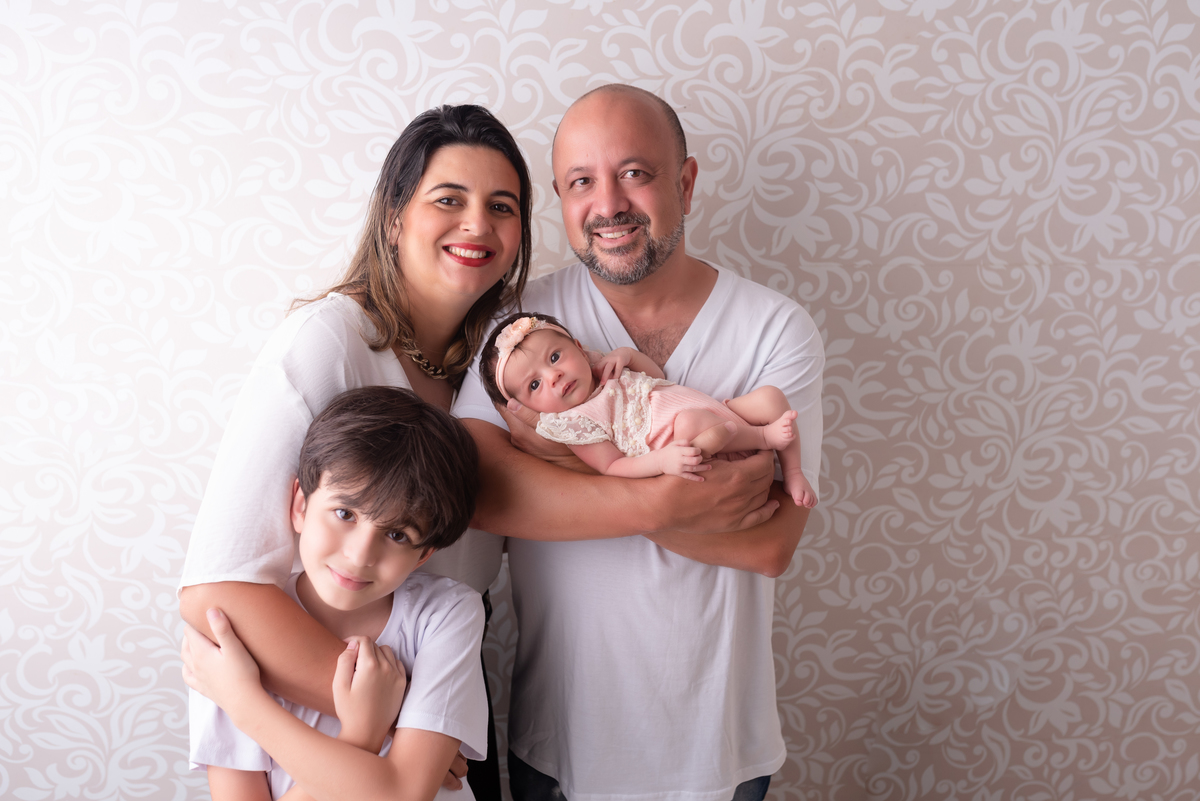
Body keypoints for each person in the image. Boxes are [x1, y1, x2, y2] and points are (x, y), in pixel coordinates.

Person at [452, 84, 824, 801]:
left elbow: (769, 545)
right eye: (581, 182)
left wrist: (556, 464)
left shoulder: (776, 329)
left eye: (634, 173)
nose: (609, 204)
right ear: (560, 200)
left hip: (719, 746)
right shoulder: (520, 327)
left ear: (684, 182)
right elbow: (484, 492)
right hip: (559, 739)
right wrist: (674, 497)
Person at [178, 104, 534, 798]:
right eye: (449, 199)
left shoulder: (502, 364)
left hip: (448, 673)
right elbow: (215, 587)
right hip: (337, 693)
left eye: (502, 206)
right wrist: (403, 724)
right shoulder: (326, 342)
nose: (477, 224)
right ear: (394, 215)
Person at [184, 387, 486, 801]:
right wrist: (362, 734)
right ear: (301, 506)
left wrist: (243, 702)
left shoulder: (446, 613)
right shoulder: (233, 636)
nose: (360, 555)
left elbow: (404, 794)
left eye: (397, 534)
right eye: (345, 514)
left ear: (423, 555)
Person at [479, 312, 817, 507]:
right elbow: (612, 466)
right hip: (689, 440)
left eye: (555, 357)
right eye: (534, 385)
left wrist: (627, 355)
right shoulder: (575, 424)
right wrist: (662, 461)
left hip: (721, 411)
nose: (553, 376)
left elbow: (657, 376)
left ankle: (793, 472)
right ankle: (763, 437)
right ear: (527, 407)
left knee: (771, 398)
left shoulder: (606, 369)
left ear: (579, 348)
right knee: (693, 423)